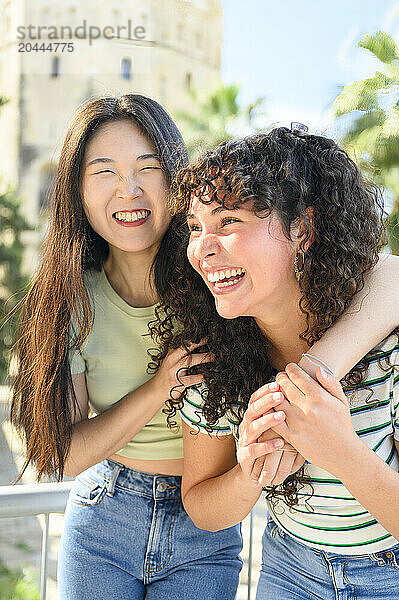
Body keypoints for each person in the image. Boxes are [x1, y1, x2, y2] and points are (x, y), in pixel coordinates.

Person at [10, 95, 244, 600]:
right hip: (102, 522)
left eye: (148, 167)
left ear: (176, 178)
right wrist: (160, 387)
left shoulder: (220, 283)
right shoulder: (71, 300)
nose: (128, 190)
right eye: (104, 171)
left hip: (204, 527)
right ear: (78, 190)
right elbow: (67, 455)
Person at [157, 127, 399, 599]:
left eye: (227, 221)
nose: (202, 249)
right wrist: (250, 472)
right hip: (289, 570)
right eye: (195, 227)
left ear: (302, 231)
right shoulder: (211, 362)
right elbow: (201, 504)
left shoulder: (386, 351)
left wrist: (342, 454)